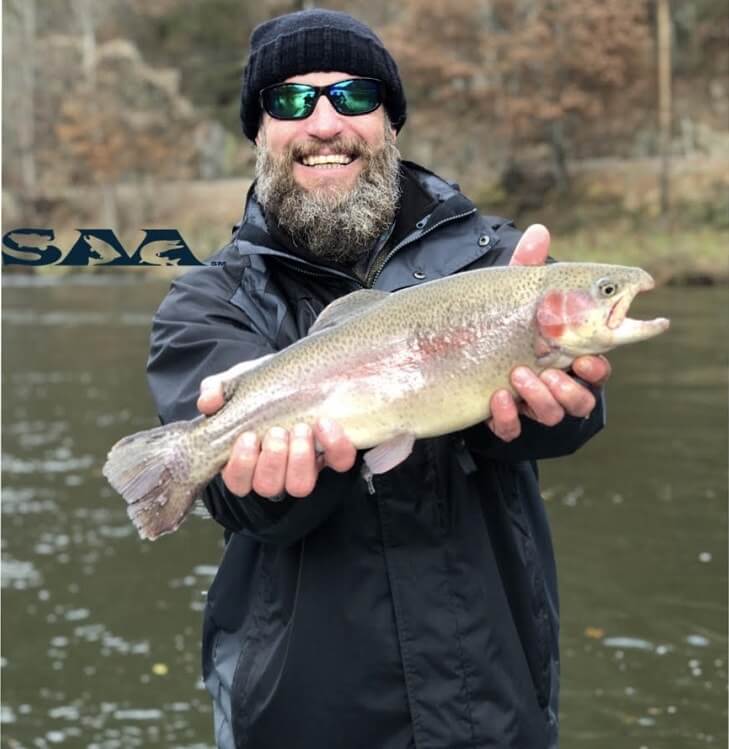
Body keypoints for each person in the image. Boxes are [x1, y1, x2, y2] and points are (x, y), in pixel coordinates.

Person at [147, 9, 611, 749]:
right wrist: (255, 474)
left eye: (354, 96)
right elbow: (243, 507)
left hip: (494, 704)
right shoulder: (206, 304)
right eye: (291, 101)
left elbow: (573, 417)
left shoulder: (497, 261)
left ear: (390, 123)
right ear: (259, 132)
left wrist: (551, 405)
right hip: (298, 717)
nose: (324, 123)